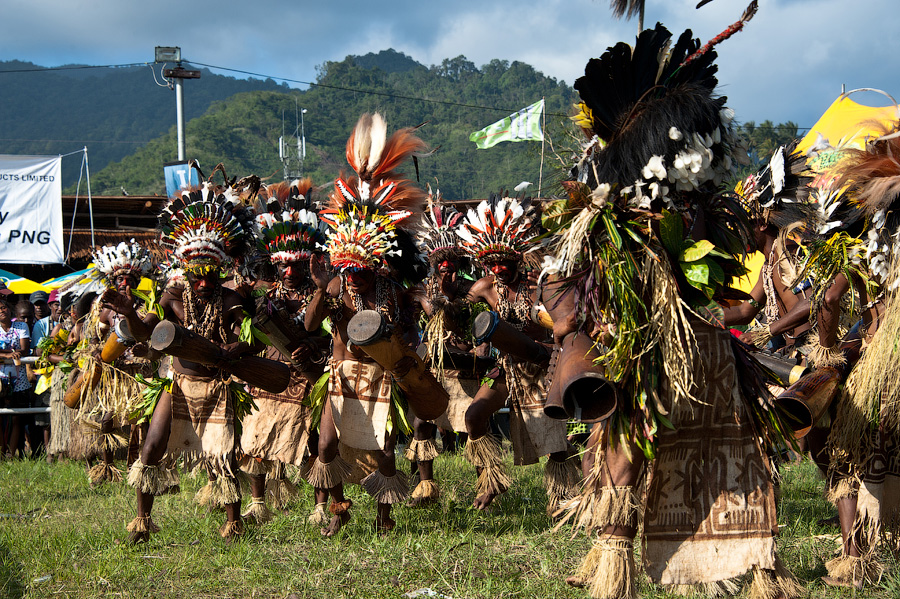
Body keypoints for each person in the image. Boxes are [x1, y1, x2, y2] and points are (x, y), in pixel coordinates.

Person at [548, 19, 799, 599]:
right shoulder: (614, 215)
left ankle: (756, 564)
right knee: (627, 448)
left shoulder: (704, 204)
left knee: (744, 443)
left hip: (703, 340)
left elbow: (722, 276)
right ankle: (613, 560)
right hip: (644, 337)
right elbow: (567, 279)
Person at [102, 173, 262, 542]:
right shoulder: (172, 296)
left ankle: (233, 523)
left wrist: (236, 347)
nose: (203, 283)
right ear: (187, 270)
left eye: (210, 275)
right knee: (152, 445)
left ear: (220, 269)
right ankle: (142, 522)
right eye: (197, 275)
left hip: (216, 386)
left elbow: (250, 340)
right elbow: (150, 334)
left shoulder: (231, 300)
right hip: (177, 383)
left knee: (221, 455)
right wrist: (128, 314)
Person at [303, 113, 430, 535]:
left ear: (378, 261)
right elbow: (308, 324)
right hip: (340, 375)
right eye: (348, 269)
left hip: (381, 376)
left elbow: (410, 331)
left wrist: (408, 357)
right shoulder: (336, 283)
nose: (353, 276)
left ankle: (384, 514)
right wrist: (322, 291)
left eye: (361, 270)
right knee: (325, 445)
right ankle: (337, 504)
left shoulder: (392, 289)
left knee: (384, 451)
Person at [799, 122, 900, 589]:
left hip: (886, 353)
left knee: (840, 445)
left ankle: (855, 557)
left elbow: (828, 301)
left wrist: (827, 351)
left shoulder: (865, 246)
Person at [456, 193, 578, 514]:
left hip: (545, 363)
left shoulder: (541, 281)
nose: (499, 269)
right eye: (492, 263)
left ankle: (562, 498)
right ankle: (491, 480)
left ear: (519, 256)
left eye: (505, 262)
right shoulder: (485, 287)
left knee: (555, 443)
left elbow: (564, 318)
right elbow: (456, 311)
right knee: (474, 417)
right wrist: (446, 304)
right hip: (509, 367)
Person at [238, 178, 332, 525]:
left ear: (309, 263)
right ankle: (258, 503)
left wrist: (314, 349)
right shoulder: (266, 298)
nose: (290, 272)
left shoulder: (323, 294)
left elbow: (329, 335)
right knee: (257, 439)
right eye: (284, 266)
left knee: (315, 444)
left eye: (296, 266)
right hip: (272, 376)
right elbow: (254, 338)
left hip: (311, 378)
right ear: (275, 265)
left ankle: (320, 508)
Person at [408, 195, 490, 506]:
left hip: (465, 367)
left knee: (472, 424)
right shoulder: (422, 292)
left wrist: (480, 351)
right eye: (441, 269)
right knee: (422, 422)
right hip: (435, 369)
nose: (447, 273)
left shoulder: (472, 291)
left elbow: (483, 328)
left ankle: (486, 484)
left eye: (451, 267)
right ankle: (426, 487)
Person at [0, 297, 31, 458]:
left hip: (19, 379)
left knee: (18, 418)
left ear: (9, 309)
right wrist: (9, 354)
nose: (2, 311)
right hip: (0, 380)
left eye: (4, 307)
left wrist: (14, 353)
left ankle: (11, 454)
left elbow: (25, 349)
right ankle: (1, 452)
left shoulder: (21, 325)